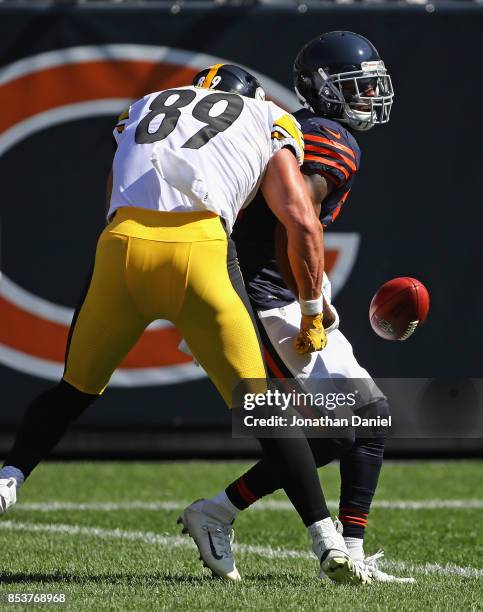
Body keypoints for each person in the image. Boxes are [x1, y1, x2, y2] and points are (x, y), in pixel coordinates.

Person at [0, 64, 370, 585]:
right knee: (265, 409)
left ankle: (9, 477)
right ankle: (326, 539)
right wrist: (311, 310)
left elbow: (114, 194)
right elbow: (299, 218)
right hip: (201, 252)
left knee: (75, 388)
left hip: (121, 248)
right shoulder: (270, 115)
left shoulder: (145, 104)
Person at [182, 33, 413, 584]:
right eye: (361, 86)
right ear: (324, 89)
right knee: (339, 429)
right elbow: (297, 220)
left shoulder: (303, 130)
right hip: (265, 296)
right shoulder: (329, 137)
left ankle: (342, 548)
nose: (374, 95)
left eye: (376, 83)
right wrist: (313, 303)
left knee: (368, 418)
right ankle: (228, 516)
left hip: (274, 288)